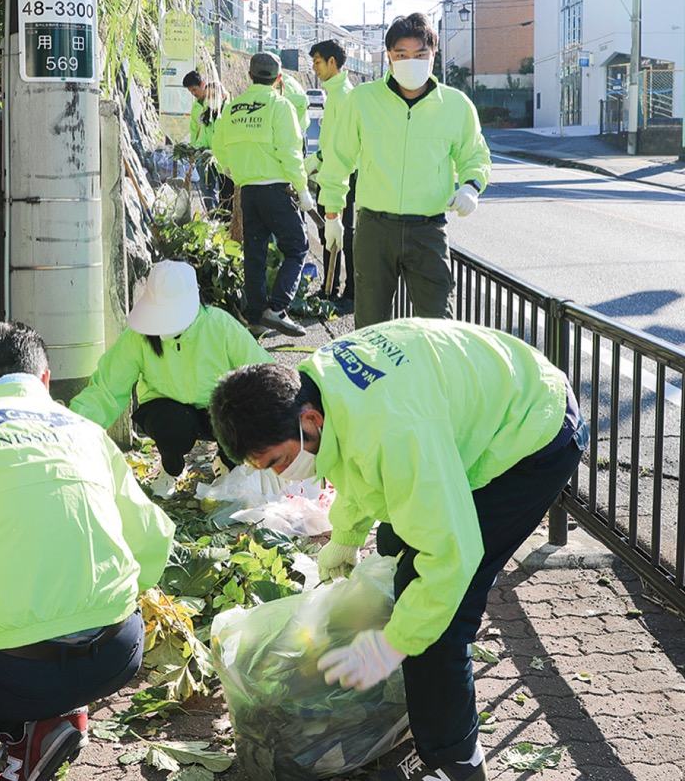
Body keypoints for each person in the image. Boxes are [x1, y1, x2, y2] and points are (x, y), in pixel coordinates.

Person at [209, 318, 588, 781]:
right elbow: (354, 459)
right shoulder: (317, 384)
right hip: (474, 408)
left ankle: (457, 762)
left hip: (533, 433)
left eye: (281, 460)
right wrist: (346, 537)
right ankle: (417, 698)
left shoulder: (395, 431)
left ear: (309, 420)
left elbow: (451, 554)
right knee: (393, 546)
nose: (284, 475)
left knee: (440, 612)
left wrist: (393, 644)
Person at [0, 321, 174, 781]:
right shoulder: (87, 432)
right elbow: (152, 542)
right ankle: (60, 714)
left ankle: (22, 729)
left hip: (9, 675)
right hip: (116, 654)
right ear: (45, 379)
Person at [316, 12, 492, 329]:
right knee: (371, 326)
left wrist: (470, 186)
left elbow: (474, 153)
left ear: (433, 56)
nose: (411, 61)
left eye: (420, 54)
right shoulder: (362, 100)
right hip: (374, 228)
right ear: (389, 57)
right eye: (401, 54)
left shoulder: (455, 105)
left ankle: (431, 380)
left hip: (428, 230)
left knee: (437, 326)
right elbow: (338, 159)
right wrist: (332, 214)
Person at [69, 259, 274, 496]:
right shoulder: (139, 337)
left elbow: (263, 374)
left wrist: (273, 434)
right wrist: (71, 429)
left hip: (219, 409)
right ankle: (171, 467)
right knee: (170, 425)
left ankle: (228, 462)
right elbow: (106, 389)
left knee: (240, 413)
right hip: (168, 410)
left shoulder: (220, 326)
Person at [211, 50, 313, 338]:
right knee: (297, 246)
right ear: (279, 79)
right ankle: (278, 308)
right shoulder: (280, 107)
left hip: (249, 192)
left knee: (254, 252)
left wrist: (237, 172)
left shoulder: (232, 109)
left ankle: (255, 317)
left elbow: (219, 150)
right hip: (276, 190)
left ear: (249, 76)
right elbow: (291, 154)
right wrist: (303, 190)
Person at [308, 39, 355, 312]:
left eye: (317, 62)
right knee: (332, 233)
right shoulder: (335, 94)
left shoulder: (343, 96)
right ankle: (330, 289)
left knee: (344, 234)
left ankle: (349, 295)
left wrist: (320, 159)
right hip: (332, 172)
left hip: (344, 176)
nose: (315, 68)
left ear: (332, 63)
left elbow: (341, 144)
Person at [182, 70, 233, 213]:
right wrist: (196, 150)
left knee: (227, 195)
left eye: (194, 89)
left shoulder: (229, 111)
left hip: (226, 162)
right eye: (209, 97)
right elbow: (199, 134)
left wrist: (217, 151)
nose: (209, 99)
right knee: (208, 189)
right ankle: (214, 217)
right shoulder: (204, 113)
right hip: (208, 157)